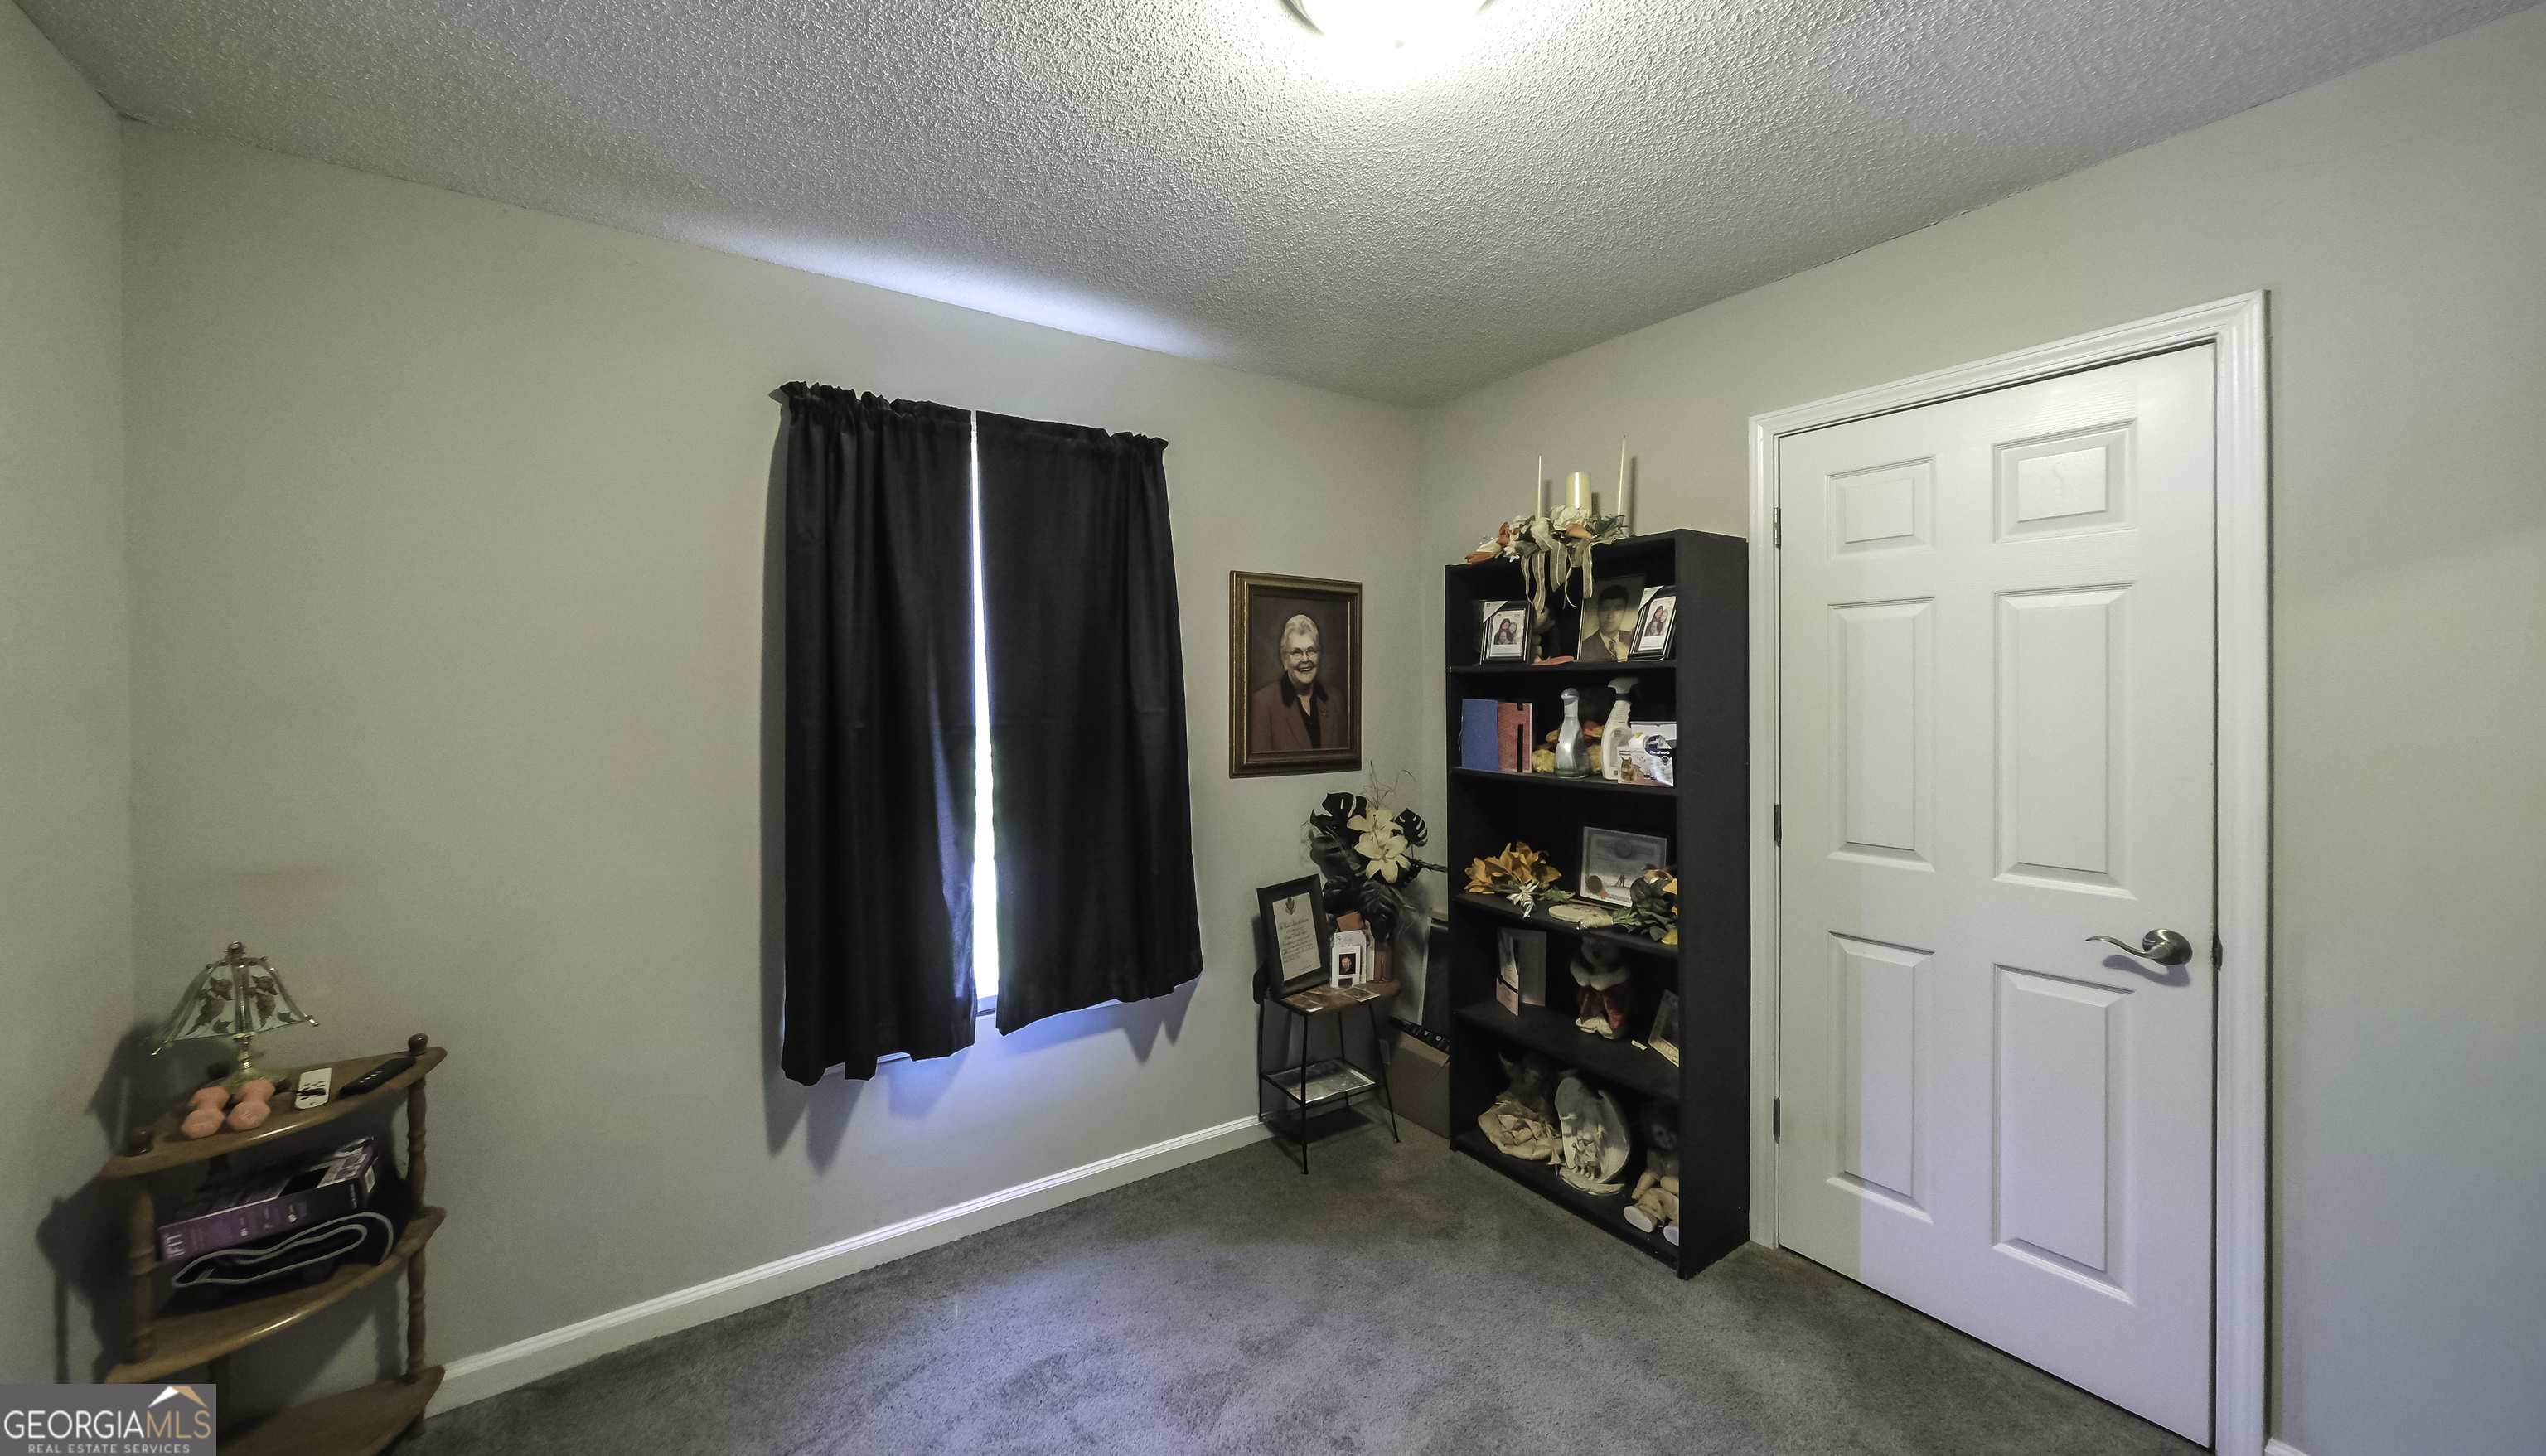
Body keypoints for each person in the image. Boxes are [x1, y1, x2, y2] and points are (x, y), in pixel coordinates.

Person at [1249, 612, 1333, 752]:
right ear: (1284, 660)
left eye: (1311, 650)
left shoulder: (1336, 700)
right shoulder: (1263, 703)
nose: (1305, 659)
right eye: (1296, 652)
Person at [1579, 583, 1635, 661]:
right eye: (1605, 609)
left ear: (1624, 612)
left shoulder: (1632, 639)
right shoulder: (1584, 647)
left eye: (1618, 609)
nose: (1611, 615)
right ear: (1598, 612)